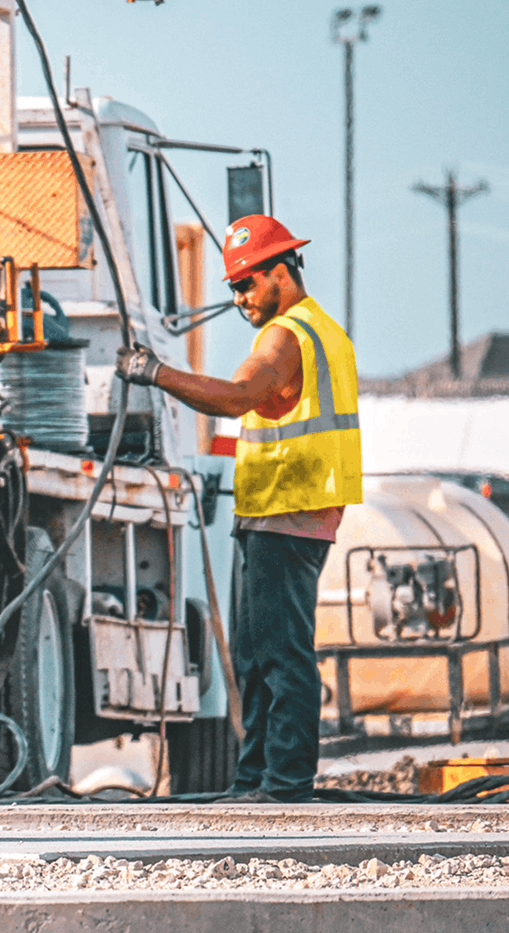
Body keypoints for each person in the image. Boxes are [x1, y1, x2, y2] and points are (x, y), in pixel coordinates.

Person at [115, 214, 362, 802]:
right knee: (256, 653)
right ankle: (255, 779)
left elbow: (238, 397)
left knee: (280, 652)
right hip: (286, 510)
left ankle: (286, 782)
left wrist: (156, 373)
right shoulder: (321, 331)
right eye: (232, 287)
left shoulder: (286, 336)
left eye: (247, 283)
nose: (238, 297)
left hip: (289, 509)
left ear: (283, 273)